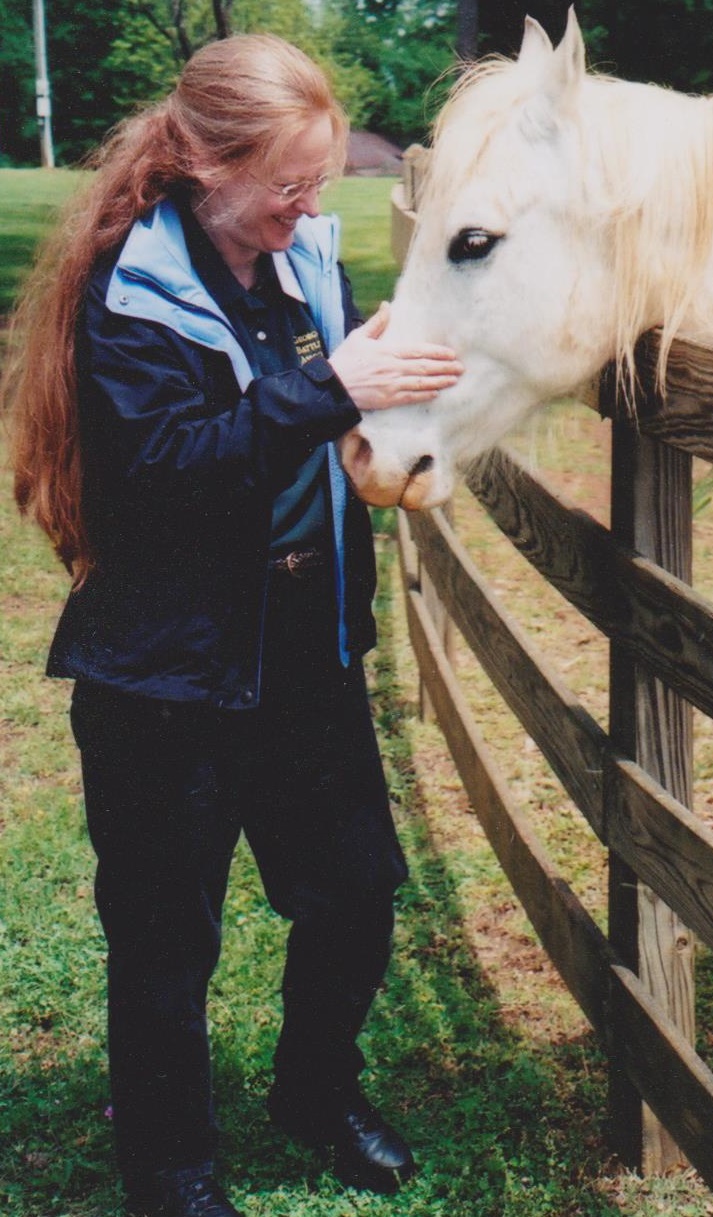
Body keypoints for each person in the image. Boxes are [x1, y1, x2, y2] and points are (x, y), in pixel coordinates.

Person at [3, 33, 462, 1217]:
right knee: (166, 939)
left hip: (306, 650)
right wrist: (331, 392)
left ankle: (314, 1091)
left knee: (355, 893)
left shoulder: (305, 262)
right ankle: (171, 1171)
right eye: (288, 185)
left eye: (321, 183)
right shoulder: (131, 290)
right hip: (167, 674)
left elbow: (346, 406)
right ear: (208, 164)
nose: (309, 210)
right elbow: (161, 470)